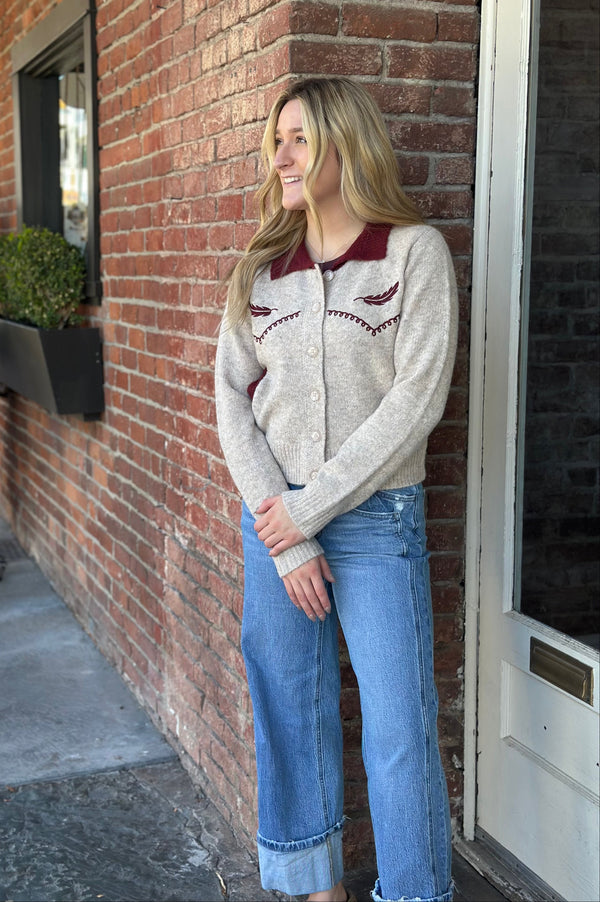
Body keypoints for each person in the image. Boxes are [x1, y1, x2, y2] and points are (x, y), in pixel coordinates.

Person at [215, 76, 457, 902]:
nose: (280, 156)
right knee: (289, 707)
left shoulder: (412, 252)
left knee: (397, 730)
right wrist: (282, 529)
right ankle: (317, 889)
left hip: (375, 522)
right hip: (273, 522)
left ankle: (416, 893)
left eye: (298, 138)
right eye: (275, 140)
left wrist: (304, 517)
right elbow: (230, 399)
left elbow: (417, 402)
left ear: (344, 143)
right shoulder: (260, 268)